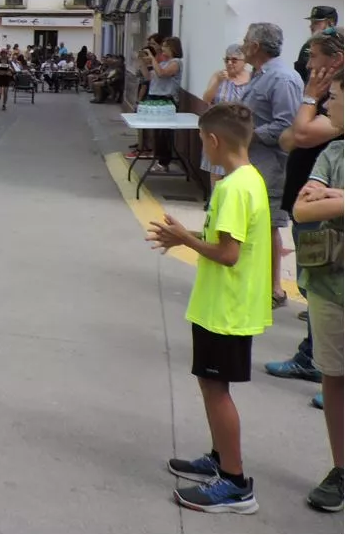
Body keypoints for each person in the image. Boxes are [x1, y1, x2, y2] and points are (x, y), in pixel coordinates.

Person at [146, 102, 271, 514]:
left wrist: (184, 238)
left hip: (227, 309)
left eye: (202, 140)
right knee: (210, 384)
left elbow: (228, 253)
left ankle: (235, 484)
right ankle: (219, 459)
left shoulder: (234, 188)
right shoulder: (249, 179)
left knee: (217, 390)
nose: (203, 147)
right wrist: (185, 236)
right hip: (226, 306)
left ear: (214, 141)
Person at [268, 29, 344, 390]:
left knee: (325, 283)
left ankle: (321, 365)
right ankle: (316, 358)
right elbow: (290, 136)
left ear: (337, 59)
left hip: (327, 213)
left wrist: (311, 97)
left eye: (314, 57)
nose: (309, 64)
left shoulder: (334, 98)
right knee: (314, 282)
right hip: (311, 195)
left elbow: (299, 135)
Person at [292, 68, 343, 513]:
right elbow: (302, 209)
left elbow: (316, 203)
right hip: (330, 285)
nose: (327, 105)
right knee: (334, 378)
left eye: (335, 96)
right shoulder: (333, 153)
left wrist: (332, 200)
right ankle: (340, 469)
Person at [241, 22, 303, 308]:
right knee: (254, 226)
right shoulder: (261, 75)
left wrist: (248, 135)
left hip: (272, 167)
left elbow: (287, 125)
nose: (242, 45)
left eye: (245, 41)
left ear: (255, 46)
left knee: (268, 227)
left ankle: (274, 290)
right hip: (253, 164)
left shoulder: (282, 78)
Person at [200, 44, 252, 189]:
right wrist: (217, 82)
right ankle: (214, 199)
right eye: (227, 60)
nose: (230, 63)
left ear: (244, 62)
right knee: (216, 171)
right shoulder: (219, 76)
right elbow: (206, 99)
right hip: (219, 129)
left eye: (234, 60)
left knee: (235, 169)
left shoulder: (251, 78)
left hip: (238, 131)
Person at [141, 36, 184, 173]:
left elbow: (161, 74)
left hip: (167, 100)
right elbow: (149, 77)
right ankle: (160, 159)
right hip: (155, 98)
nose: (162, 48)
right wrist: (142, 62)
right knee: (157, 132)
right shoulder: (165, 62)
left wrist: (153, 59)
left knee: (164, 133)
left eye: (165, 46)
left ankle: (164, 162)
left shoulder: (176, 63)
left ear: (173, 48)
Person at [296, 6, 339, 83]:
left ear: (330, 23)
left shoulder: (339, 46)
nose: (311, 26)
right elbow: (300, 74)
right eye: (311, 23)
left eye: (316, 23)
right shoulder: (307, 46)